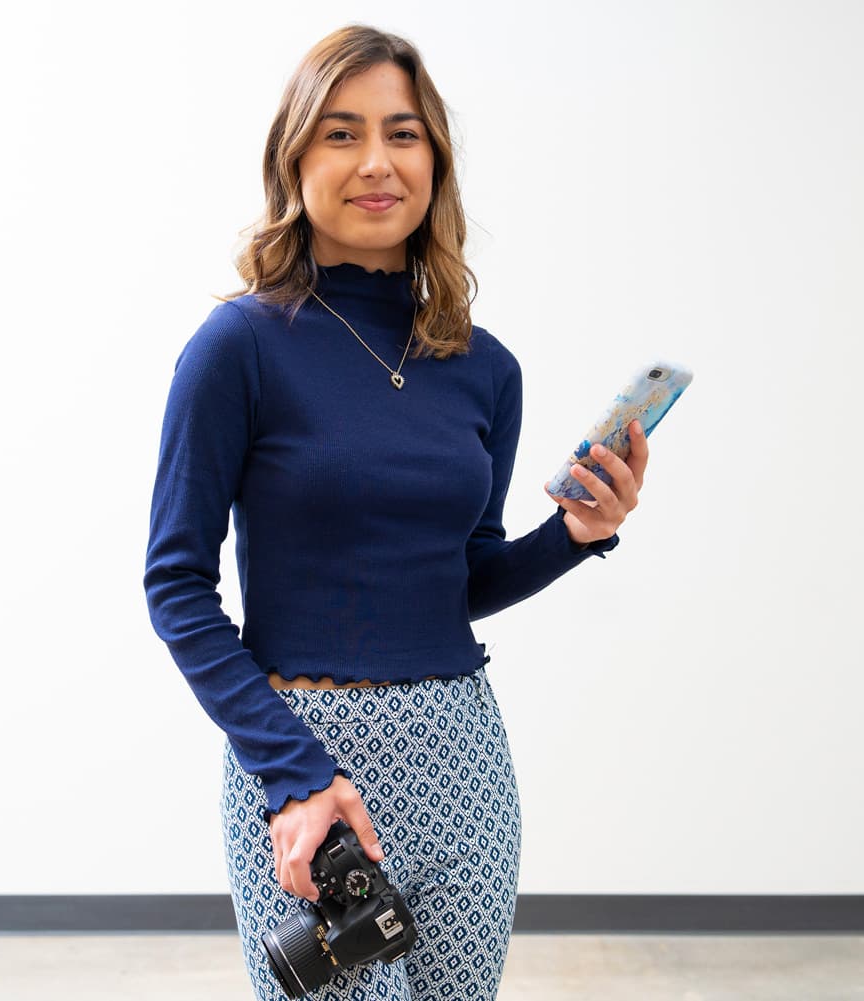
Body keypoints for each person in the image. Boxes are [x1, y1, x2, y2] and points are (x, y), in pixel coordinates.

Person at [143, 24, 649, 1001]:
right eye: (341, 133)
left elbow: (461, 573)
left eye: (404, 134)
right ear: (294, 160)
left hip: (462, 756)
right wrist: (289, 773)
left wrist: (574, 537)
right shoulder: (238, 347)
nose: (376, 160)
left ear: (437, 163)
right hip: (304, 767)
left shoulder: (486, 368)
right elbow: (175, 584)